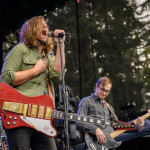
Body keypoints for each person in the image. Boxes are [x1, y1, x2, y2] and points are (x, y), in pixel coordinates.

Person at [0, 16, 66, 150]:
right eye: (41, 25)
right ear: (32, 29)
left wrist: (61, 44)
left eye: (46, 26)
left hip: (43, 118)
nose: (46, 27)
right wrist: (34, 71)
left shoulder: (48, 57)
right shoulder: (20, 49)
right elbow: (5, 78)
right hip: (19, 117)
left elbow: (58, 75)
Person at [76, 77, 145, 149]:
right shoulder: (86, 101)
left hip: (108, 145)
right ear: (96, 86)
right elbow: (78, 121)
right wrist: (95, 129)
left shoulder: (109, 107)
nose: (104, 93)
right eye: (102, 89)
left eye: (107, 91)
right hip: (94, 144)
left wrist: (138, 128)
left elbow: (118, 126)